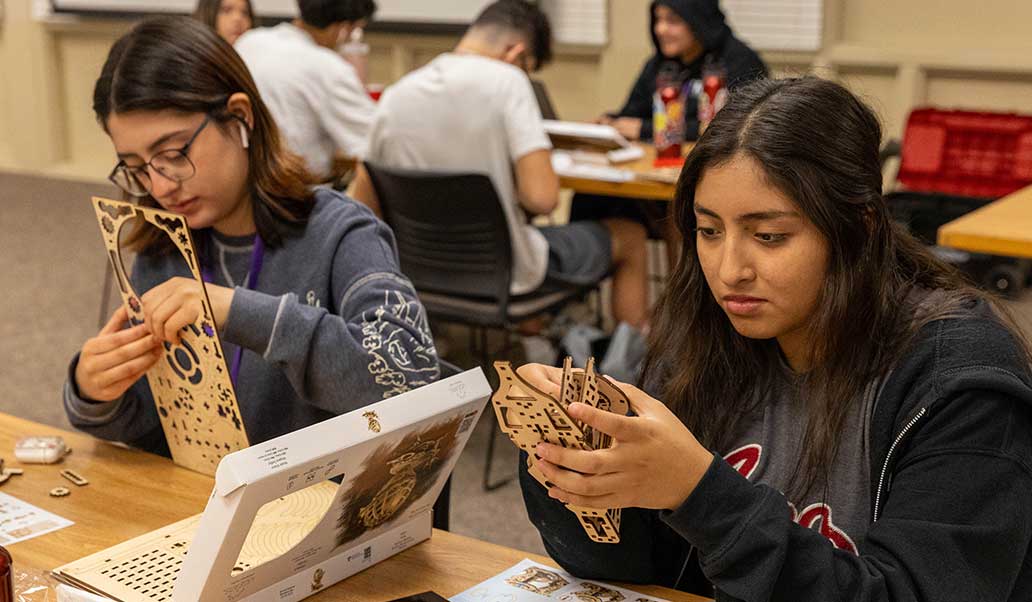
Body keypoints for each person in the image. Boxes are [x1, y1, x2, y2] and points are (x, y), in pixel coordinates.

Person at [518, 77, 1032, 600]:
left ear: (861, 226)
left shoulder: (958, 381)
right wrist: (574, 469)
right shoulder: (713, 338)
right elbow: (647, 568)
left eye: (769, 237)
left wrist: (701, 495)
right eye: (709, 230)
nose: (729, 270)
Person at [65, 16, 439, 456]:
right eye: (137, 167)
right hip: (204, 505)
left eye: (172, 154)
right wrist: (95, 390)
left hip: (311, 507)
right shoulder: (163, 244)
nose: (161, 186)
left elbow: (410, 383)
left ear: (240, 117)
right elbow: (158, 428)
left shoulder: (342, 233)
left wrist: (237, 310)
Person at [350, 0, 649, 329]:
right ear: (516, 53)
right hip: (508, 274)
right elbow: (543, 199)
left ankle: (531, 341)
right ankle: (630, 372)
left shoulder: (398, 93)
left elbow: (361, 201)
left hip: (421, 273)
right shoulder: (508, 81)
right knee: (630, 235)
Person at [234, 0, 377, 180]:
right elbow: (375, 144)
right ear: (342, 29)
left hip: (243, 184)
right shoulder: (328, 68)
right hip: (303, 191)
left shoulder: (248, 42)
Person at [599, 0, 767, 142]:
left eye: (673, 21)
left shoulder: (741, 62)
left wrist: (646, 130)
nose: (660, 29)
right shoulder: (659, 63)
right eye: (658, 19)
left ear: (699, 22)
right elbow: (632, 114)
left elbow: (737, 127)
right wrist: (609, 123)